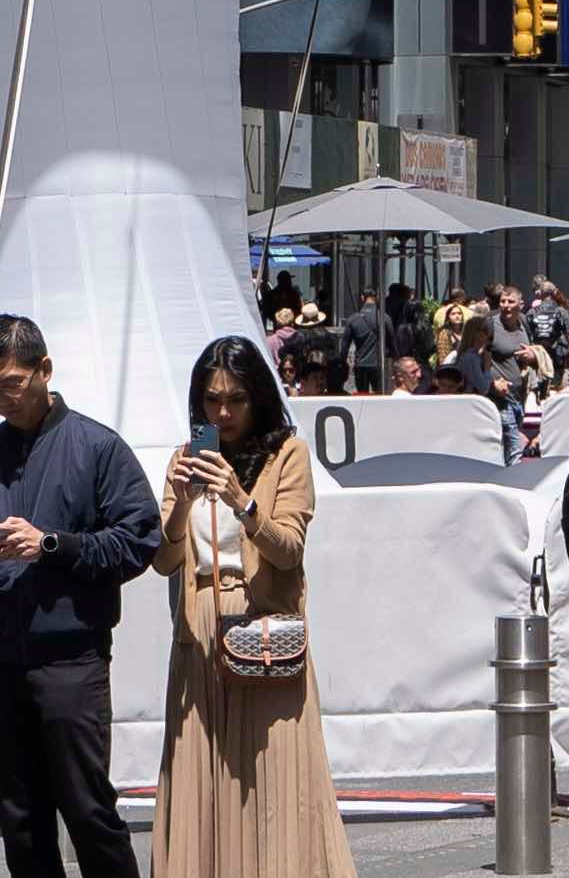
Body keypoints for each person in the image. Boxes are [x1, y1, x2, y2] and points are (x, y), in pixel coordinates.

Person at [0, 315, 155, 878]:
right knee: (19, 817)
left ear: (45, 370)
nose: (0, 399)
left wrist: (52, 545)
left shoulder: (98, 448)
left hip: (71, 658)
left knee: (88, 809)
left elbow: (139, 542)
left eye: (10, 383)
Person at [152, 334, 350, 878]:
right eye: (212, 399)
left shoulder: (288, 453)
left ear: (258, 396)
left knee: (275, 779)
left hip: (264, 627)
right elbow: (164, 561)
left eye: (236, 399)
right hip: (199, 630)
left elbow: (288, 550)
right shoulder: (184, 459)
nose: (223, 412)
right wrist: (181, 506)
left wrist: (242, 501)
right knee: (201, 776)